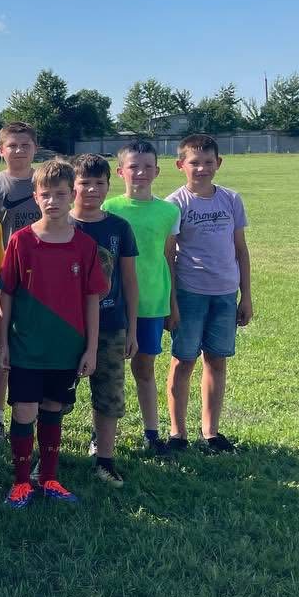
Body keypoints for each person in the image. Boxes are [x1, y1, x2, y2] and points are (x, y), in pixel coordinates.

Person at [0, 159, 108, 510]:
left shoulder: (84, 246)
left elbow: (92, 299)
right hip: (26, 346)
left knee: (53, 408)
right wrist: (2, 342)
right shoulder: (21, 241)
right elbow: (6, 295)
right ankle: (20, 482)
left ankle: (49, 478)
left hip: (67, 346)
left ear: (71, 194)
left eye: (60, 194)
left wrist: (91, 348)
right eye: (45, 194)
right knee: (24, 410)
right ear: (35, 197)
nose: (52, 201)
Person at [166, 134, 252, 454]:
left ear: (219, 163)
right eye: (194, 162)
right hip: (190, 292)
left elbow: (241, 250)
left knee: (216, 360)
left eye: (208, 162)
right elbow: (168, 256)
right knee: (183, 361)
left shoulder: (231, 199)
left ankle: (211, 431)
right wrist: (171, 302)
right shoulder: (175, 204)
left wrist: (246, 295)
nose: (201, 168)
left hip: (225, 293)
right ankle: (177, 433)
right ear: (181, 165)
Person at [103, 140, 181, 455]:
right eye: (133, 166)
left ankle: (152, 432)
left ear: (157, 171)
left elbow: (169, 258)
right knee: (108, 373)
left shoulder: (169, 211)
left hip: (152, 303)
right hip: (113, 304)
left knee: (145, 369)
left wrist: (172, 305)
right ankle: (101, 434)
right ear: (120, 171)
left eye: (148, 166)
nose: (141, 172)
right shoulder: (108, 208)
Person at [70, 154, 139, 488]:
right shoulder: (60, 224)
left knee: (109, 393)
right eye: (84, 183)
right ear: (72, 186)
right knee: (54, 395)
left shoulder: (119, 227)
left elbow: (129, 281)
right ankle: (46, 457)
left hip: (111, 325)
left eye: (99, 183)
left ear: (109, 185)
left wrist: (132, 329)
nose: (92, 189)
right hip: (67, 328)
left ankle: (105, 459)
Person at [0, 121, 43, 443]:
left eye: (25, 145)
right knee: (0, 347)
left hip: (43, 281)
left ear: (35, 148)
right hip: (3, 278)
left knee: (36, 346)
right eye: (12, 145)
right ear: (1, 150)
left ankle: (40, 410)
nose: (19, 150)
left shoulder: (45, 180)